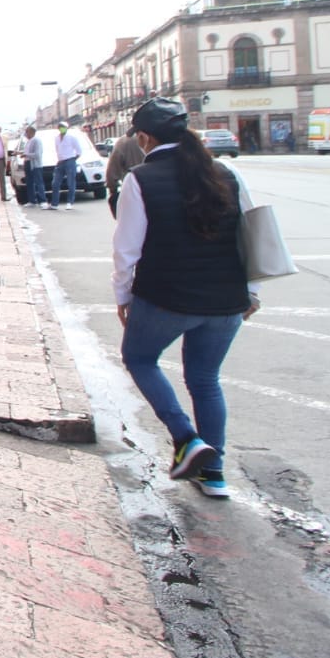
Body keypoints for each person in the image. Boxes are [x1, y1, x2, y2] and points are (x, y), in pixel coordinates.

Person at [112, 98, 259, 499]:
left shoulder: (140, 179)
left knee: (140, 359)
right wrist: (253, 291)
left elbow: (127, 250)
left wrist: (123, 296)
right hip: (226, 301)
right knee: (206, 380)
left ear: (144, 137)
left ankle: (186, 438)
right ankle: (213, 474)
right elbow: (252, 236)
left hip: (165, 299)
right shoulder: (226, 173)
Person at [105, 126, 147, 218]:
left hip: (134, 193)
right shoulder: (169, 140)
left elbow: (112, 170)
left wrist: (113, 191)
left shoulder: (124, 141)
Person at [49, 121, 83, 210]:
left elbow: (79, 151)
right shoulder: (56, 138)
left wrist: (73, 159)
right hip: (60, 162)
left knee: (71, 182)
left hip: (70, 161)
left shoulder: (72, 138)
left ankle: (70, 202)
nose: (61, 128)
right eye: (60, 127)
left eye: (63, 127)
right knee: (55, 183)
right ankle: (54, 204)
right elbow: (57, 150)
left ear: (66, 128)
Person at [21, 124, 49, 209]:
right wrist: (20, 153)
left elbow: (37, 154)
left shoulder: (36, 141)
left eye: (27, 132)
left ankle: (43, 201)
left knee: (38, 182)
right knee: (29, 183)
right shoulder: (28, 141)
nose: (26, 134)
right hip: (28, 163)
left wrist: (25, 154)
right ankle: (32, 200)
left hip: (35, 165)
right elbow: (27, 152)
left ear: (31, 132)